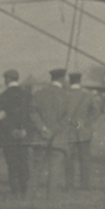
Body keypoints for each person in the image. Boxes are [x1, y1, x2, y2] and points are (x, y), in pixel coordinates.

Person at [28, 68, 71, 196]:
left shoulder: (39, 94)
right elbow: (66, 119)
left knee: (36, 169)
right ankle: (50, 198)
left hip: (40, 136)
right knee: (54, 170)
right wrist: (53, 131)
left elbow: (32, 113)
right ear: (62, 79)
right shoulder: (66, 95)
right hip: (58, 138)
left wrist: (43, 128)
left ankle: (29, 196)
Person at [0, 69, 34, 198]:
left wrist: (11, 130)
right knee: (24, 160)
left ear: (8, 79)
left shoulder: (3, 96)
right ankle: (24, 189)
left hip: (8, 134)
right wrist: (25, 130)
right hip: (25, 133)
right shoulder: (28, 95)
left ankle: (15, 190)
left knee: (12, 163)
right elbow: (32, 115)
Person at [60, 72, 102, 189]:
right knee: (85, 160)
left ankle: (69, 185)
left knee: (69, 160)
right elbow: (96, 112)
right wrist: (85, 122)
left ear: (69, 81)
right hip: (84, 131)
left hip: (69, 131)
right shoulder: (87, 95)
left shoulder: (64, 94)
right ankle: (85, 185)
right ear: (80, 81)